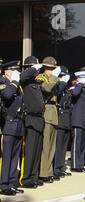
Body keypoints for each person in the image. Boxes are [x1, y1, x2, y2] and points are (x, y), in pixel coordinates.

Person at [19, 56, 45, 188]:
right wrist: (33, 68)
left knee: (36, 151)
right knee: (29, 152)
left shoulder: (35, 81)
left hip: (39, 119)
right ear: (29, 68)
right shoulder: (25, 80)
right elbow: (22, 77)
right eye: (35, 68)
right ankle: (26, 178)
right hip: (30, 119)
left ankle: (34, 176)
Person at [0, 60, 25, 195]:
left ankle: (11, 183)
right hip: (9, 124)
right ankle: (4, 185)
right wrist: (14, 82)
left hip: (18, 123)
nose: (18, 74)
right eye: (15, 71)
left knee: (15, 157)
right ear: (7, 73)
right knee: (7, 156)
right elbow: (7, 95)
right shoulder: (4, 83)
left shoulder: (17, 85)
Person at [38, 56, 62, 183]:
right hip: (46, 112)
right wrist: (54, 78)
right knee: (46, 145)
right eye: (49, 68)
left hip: (53, 113)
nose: (51, 71)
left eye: (52, 69)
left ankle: (49, 171)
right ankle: (43, 173)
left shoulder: (52, 79)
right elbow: (46, 89)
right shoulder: (41, 78)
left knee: (52, 145)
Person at [55, 66, 72, 178]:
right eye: (61, 76)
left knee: (63, 146)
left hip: (66, 119)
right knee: (58, 145)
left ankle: (61, 167)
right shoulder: (57, 86)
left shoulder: (65, 87)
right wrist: (60, 81)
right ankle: (56, 168)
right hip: (59, 118)